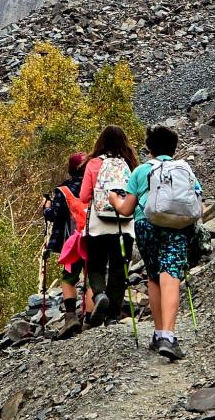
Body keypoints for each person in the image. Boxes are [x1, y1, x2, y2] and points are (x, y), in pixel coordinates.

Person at [109, 125, 197, 361]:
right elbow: (196, 201)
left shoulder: (140, 171)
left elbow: (126, 210)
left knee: (154, 276)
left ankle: (159, 334)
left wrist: (114, 200)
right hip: (177, 226)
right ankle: (168, 336)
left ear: (149, 149)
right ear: (174, 148)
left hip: (146, 225)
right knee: (171, 274)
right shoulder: (184, 169)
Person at [80, 125, 138, 325]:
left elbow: (84, 196)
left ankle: (99, 294)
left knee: (95, 265)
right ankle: (112, 316)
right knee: (119, 269)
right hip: (125, 224)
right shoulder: (130, 163)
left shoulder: (94, 163)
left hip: (99, 224)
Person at [42, 151, 88, 337]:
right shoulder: (96, 186)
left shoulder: (64, 190)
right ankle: (91, 319)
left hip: (73, 241)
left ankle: (71, 317)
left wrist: (46, 206)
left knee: (69, 278)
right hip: (95, 237)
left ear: (70, 169)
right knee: (92, 277)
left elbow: (54, 215)